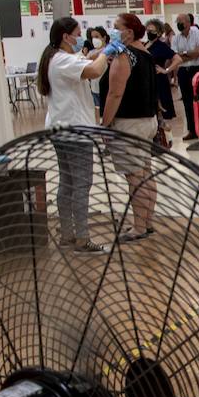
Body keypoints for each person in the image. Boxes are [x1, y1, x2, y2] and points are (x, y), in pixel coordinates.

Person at [38, 16, 113, 255]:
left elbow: (84, 60)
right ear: (65, 36)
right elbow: (93, 70)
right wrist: (106, 52)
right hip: (75, 132)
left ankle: (68, 233)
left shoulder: (55, 57)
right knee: (82, 183)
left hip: (61, 129)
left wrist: (97, 52)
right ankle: (82, 239)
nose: (82, 36)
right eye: (78, 32)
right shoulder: (61, 61)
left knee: (68, 182)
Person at [98, 13, 158, 243]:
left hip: (128, 124)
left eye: (115, 27)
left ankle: (139, 226)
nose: (112, 31)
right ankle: (148, 221)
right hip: (146, 121)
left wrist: (105, 125)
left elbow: (115, 93)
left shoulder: (125, 56)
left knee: (135, 177)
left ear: (129, 32)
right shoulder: (146, 54)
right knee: (145, 173)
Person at [171, 13, 199, 140]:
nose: (179, 24)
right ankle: (192, 129)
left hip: (198, 70)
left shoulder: (197, 34)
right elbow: (175, 57)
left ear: (188, 22)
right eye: (177, 22)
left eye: (181, 21)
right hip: (184, 72)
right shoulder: (175, 38)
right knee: (187, 102)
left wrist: (184, 54)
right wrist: (191, 53)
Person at [144, 19, 178, 126]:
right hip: (148, 81)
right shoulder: (145, 44)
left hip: (159, 81)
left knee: (163, 114)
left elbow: (178, 59)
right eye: (147, 30)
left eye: (152, 30)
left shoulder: (161, 46)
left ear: (159, 33)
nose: (149, 32)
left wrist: (166, 70)